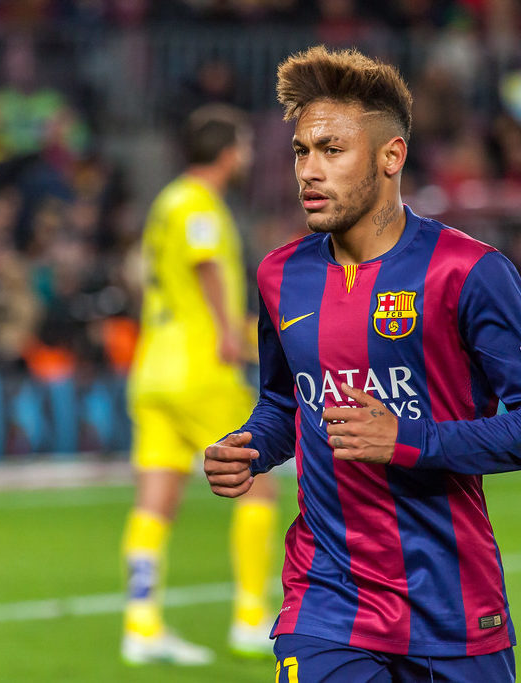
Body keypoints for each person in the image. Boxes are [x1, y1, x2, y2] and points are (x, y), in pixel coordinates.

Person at [204, 45, 520, 682]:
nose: (309, 171)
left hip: (454, 605)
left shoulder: (469, 272)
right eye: (301, 151)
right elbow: (285, 402)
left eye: (332, 150)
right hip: (327, 599)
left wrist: (409, 440)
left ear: (390, 156)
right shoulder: (280, 276)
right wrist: (252, 446)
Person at [122, 104, 278, 665]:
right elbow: (206, 263)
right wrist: (228, 332)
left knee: (155, 499)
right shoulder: (199, 203)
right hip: (199, 368)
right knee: (258, 484)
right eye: (245, 144)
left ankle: (141, 625)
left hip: (153, 367)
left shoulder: (166, 202)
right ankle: (251, 619)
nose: (250, 154)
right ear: (227, 152)